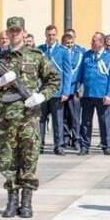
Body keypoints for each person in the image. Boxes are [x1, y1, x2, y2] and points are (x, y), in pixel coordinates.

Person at [0, 16, 60, 218]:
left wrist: (41, 96)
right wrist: (0, 82)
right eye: (11, 31)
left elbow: (54, 80)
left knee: (29, 157)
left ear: (24, 32)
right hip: (6, 118)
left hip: (29, 118)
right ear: (7, 33)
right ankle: (12, 199)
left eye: (18, 30)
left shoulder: (37, 56)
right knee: (8, 159)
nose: (14, 34)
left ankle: (27, 201)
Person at [76, 32, 110, 156]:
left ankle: (107, 145)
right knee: (86, 121)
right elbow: (80, 74)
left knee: (104, 121)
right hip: (88, 94)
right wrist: (78, 89)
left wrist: (109, 94)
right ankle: (85, 145)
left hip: (102, 94)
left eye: (94, 41)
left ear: (101, 42)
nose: (91, 43)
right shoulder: (87, 55)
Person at [38, 25, 72, 155]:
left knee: (58, 120)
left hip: (57, 91)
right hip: (42, 91)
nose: (51, 37)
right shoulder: (40, 50)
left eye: (53, 35)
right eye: (49, 35)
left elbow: (68, 73)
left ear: (56, 36)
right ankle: (39, 144)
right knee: (40, 119)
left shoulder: (63, 51)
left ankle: (59, 145)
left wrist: (65, 91)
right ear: (45, 35)